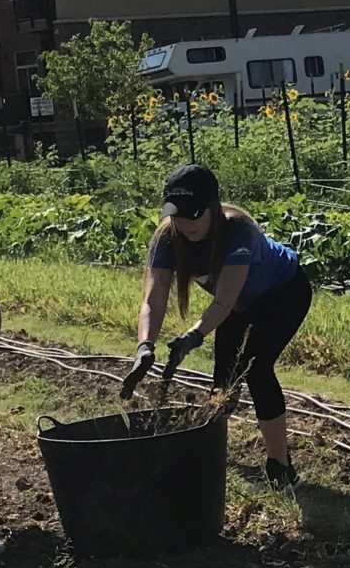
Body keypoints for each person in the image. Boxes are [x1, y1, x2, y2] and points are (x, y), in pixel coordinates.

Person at [126, 164, 313, 486]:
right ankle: (210, 453)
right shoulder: (168, 238)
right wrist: (144, 346)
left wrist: (194, 335)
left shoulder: (238, 230)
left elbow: (223, 302)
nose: (185, 223)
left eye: (194, 214)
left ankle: (281, 466)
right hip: (239, 303)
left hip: (284, 293)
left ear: (212, 207)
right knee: (223, 380)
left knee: (256, 369)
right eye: (177, 215)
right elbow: (152, 300)